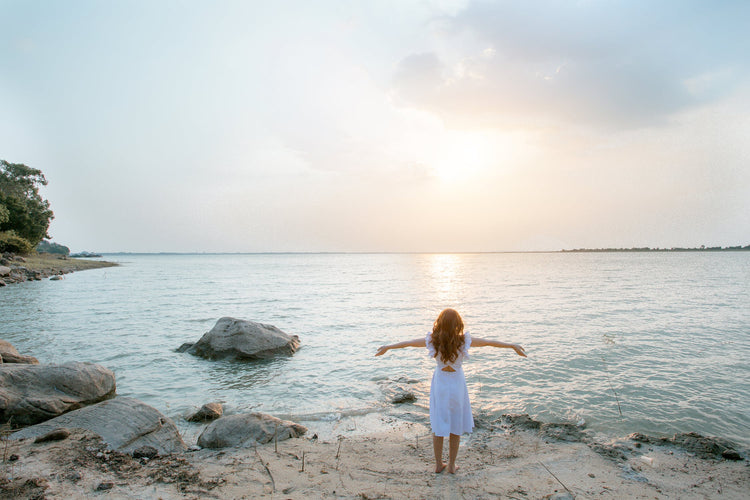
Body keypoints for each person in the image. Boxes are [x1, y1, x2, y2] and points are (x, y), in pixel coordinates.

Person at [375, 308, 526, 474]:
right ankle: (452, 465)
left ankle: (439, 464)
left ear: (440, 323)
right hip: (456, 383)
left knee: (439, 424)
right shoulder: (463, 341)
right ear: (457, 323)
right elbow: (488, 342)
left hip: (440, 383)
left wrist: (388, 347)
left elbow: (409, 342)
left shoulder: (433, 341)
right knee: (456, 423)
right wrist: (511, 346)